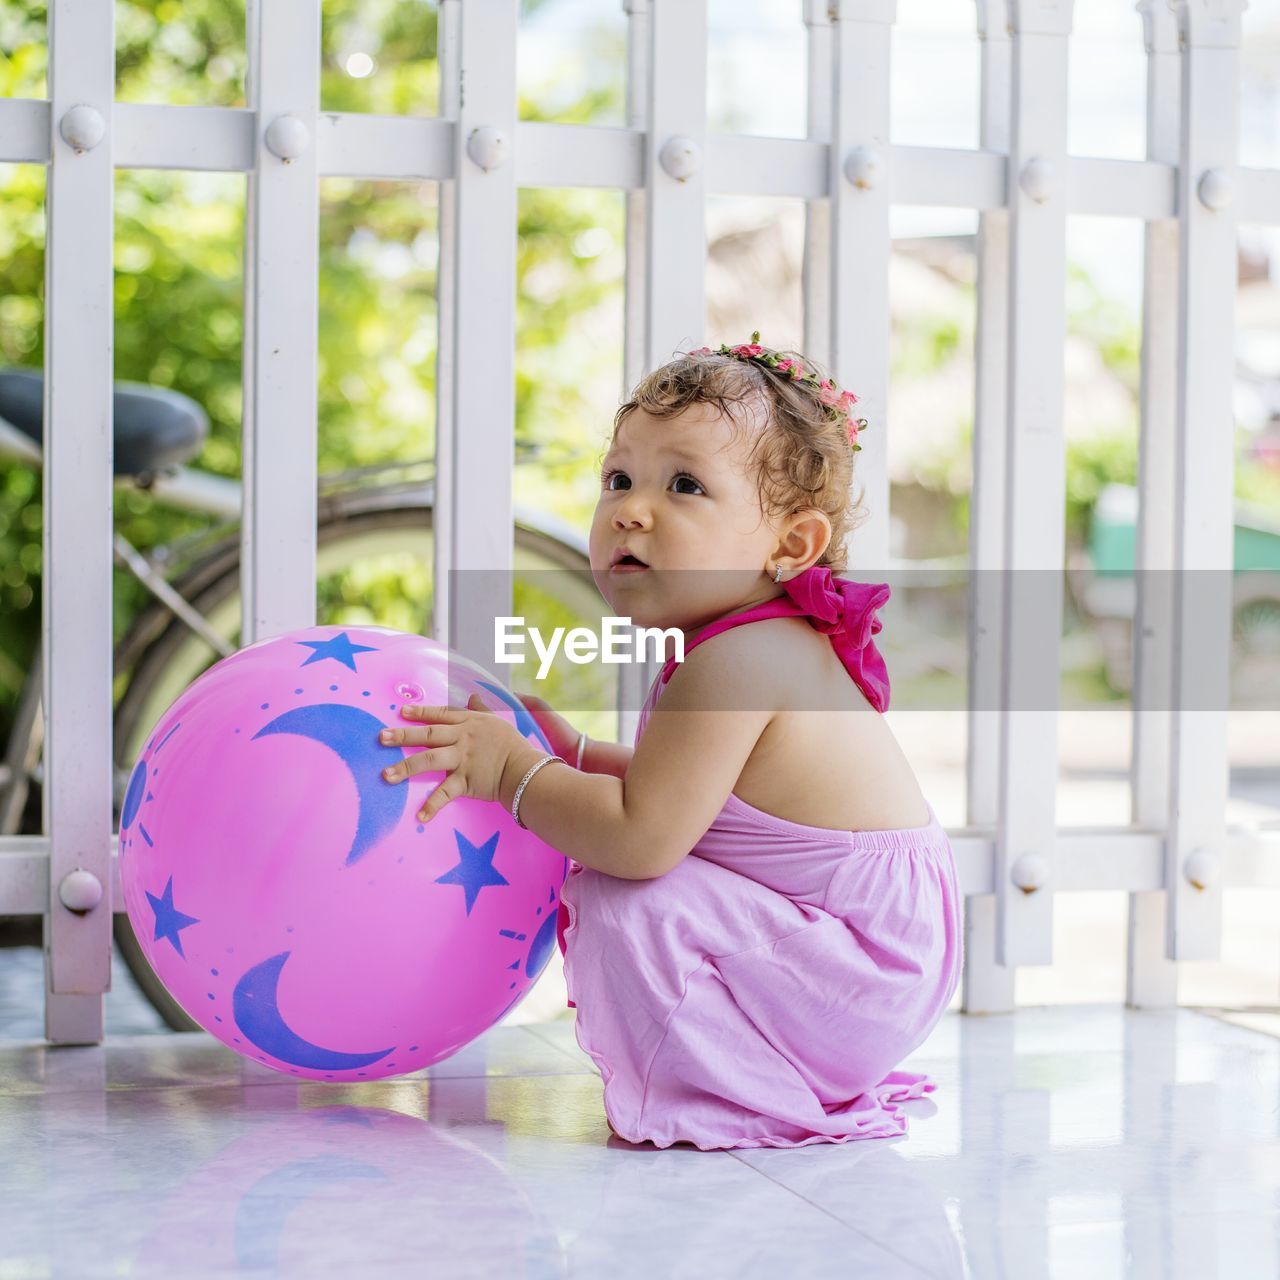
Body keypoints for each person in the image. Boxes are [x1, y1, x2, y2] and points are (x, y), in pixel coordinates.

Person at [381, 332, 963, 1150]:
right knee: (627, 871)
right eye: (618, 478)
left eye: (684, 485)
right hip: (857, 960)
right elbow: (701, 802)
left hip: (854, 969)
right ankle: (758, 1068)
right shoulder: (735, 647)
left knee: (625, 894)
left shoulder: (740, 660)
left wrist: (513, 772)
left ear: (790, 545)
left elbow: (645, 836)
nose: (630, 509)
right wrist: (575, 754)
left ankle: (730, 1094)